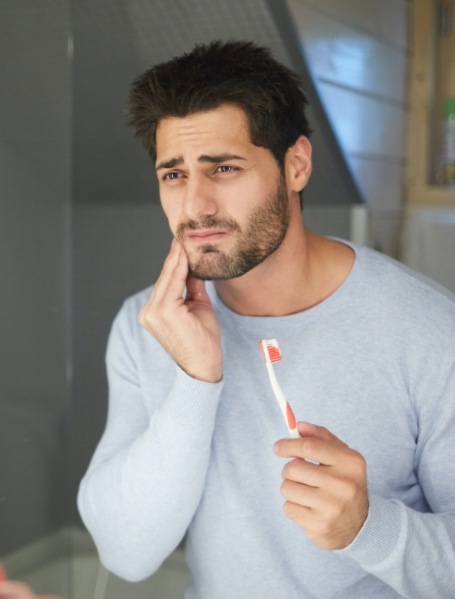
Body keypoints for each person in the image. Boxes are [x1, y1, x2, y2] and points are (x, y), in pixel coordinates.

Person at [77, 40, 455, 598]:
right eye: (173, 175)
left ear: (296, 164)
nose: (196, 207)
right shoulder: (147, 325)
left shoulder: (429, 331)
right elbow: (124, 554)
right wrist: (194, 380)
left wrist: (368, 530)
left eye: (224, 168)